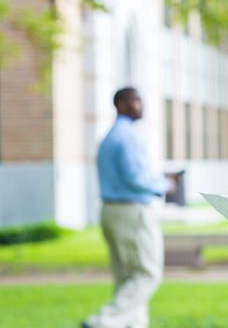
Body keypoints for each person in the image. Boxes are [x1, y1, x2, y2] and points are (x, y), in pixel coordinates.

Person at [83, 87, 176, 328]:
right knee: (147, 274)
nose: (141, 105)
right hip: (132, 211)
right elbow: (136, 178)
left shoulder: (110, 136)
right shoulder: (127, 136)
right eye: (136, 100)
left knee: (127, 278)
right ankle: (103, 321)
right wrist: (166, 184)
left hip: (111, 210)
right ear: (121, 104)